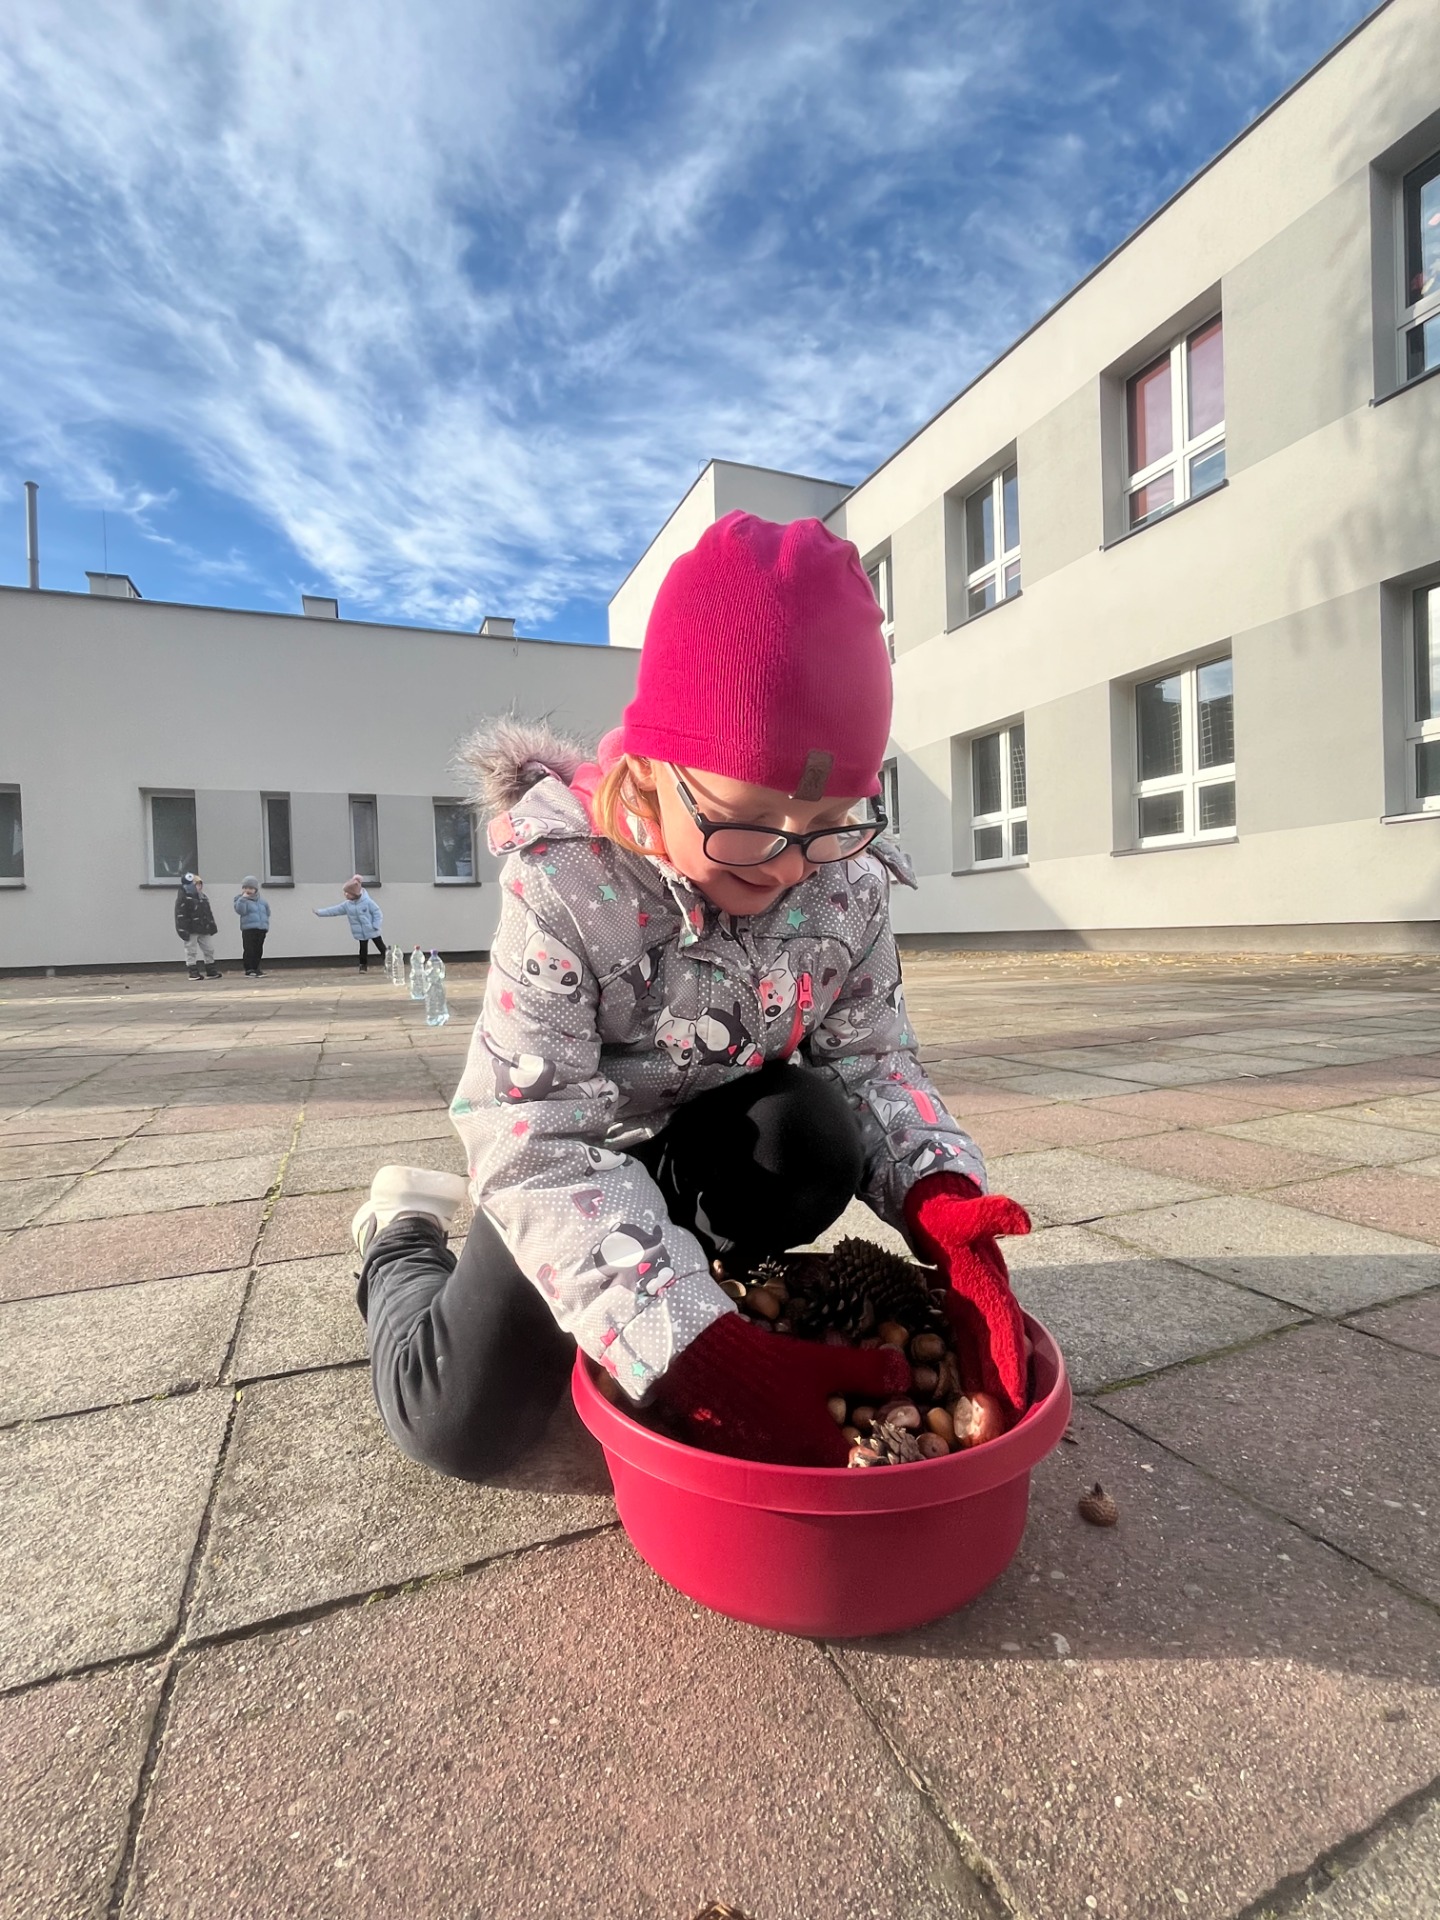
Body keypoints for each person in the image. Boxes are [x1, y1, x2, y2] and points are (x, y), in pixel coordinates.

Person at [350, 512, 1032, 1483]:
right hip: (569, 1160)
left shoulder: (846, 883)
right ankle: (399, 1238)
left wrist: (945, 1208)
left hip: (701, 1151)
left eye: (830, 822)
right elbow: (531, 1133)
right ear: (645, 778)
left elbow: (872, 1060)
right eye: (747, 824)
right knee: (457, 1425)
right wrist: (698, 1355)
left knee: (811, 1132)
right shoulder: (566, 886)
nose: (789, 865)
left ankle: (682, 1278)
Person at [314, 876, 386, 970]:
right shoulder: (347, 905)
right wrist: (320, 912)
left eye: (348, 893)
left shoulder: (368, 902)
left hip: (372, 929)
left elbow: (377, 913)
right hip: (360, 932)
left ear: (355, 893)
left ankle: (389, 961)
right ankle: (363, 966)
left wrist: (376, 925)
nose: (345, 895)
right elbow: (334, 910)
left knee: (381, 946)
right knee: (363, 949)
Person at [174, 872, 220, 979]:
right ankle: (193, 970)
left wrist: (211, 925)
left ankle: (211, 969)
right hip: (191, 929)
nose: (199, 887)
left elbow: (208, 913)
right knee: (191, 950)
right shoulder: (184, 899)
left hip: (204, 928)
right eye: (196, 885)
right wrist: (182, 930)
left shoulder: (203, 898)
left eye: (200, 884)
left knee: (209, 949)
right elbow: (180, 915)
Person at [234, 876, 271, 976]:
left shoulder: (262, 901)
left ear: (255, 889)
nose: (248, 890)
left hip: (261, 928)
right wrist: (243, 899)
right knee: (249, 949)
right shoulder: (240, 899)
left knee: (258, 949)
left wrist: (265, 925)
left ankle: (256, 967)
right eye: (245, 888)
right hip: (248, 929)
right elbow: (240, 911)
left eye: (250, 888)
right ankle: (249, 969)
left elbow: (267, 913)